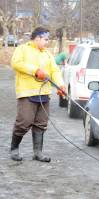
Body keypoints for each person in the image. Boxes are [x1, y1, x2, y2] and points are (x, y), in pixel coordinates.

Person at [10, 27, 66, 162]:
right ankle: (14, 148)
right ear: (38, 38)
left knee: (41, 123)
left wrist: (61, 85)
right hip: (27, 92)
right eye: (46, 39)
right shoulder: (22, 49)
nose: (47, 42)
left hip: (44, 93)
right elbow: (16, 63)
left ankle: (38, 152)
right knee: (24, 121)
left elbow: (55, 71)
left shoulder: (47, 54)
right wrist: (35, 70)